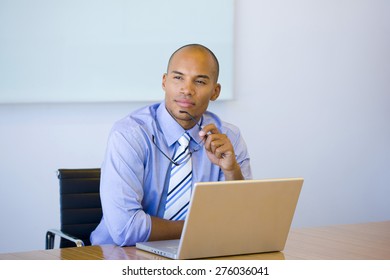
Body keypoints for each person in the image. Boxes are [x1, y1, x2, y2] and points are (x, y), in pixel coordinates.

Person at [90, 44, 252, 246]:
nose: (187, 90)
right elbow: (126, 229)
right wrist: (202, 229)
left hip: (198, 256)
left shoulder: (229, 137)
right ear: (164, 82)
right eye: (178, 78)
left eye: (200, 81)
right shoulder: (130, 135)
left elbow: (243, 223)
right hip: (117, 256)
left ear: (215, 91)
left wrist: (231, 171)